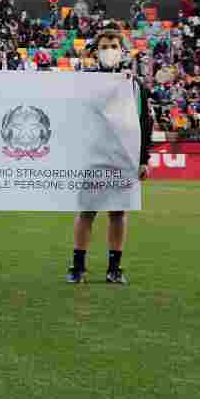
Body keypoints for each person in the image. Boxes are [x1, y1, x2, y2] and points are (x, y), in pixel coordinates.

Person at [66, 30, 151, 285]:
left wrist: (143, 159)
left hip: (122, 157)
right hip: (92, 156)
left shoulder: (135, 85)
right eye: (104, 46)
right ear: (96, 51)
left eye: (114, 45)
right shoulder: (85, 82)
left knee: (117, 212)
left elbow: (144, 123)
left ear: (122, 50)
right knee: (87, 211)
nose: (110, 50)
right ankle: (78, 267)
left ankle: (114, 268)